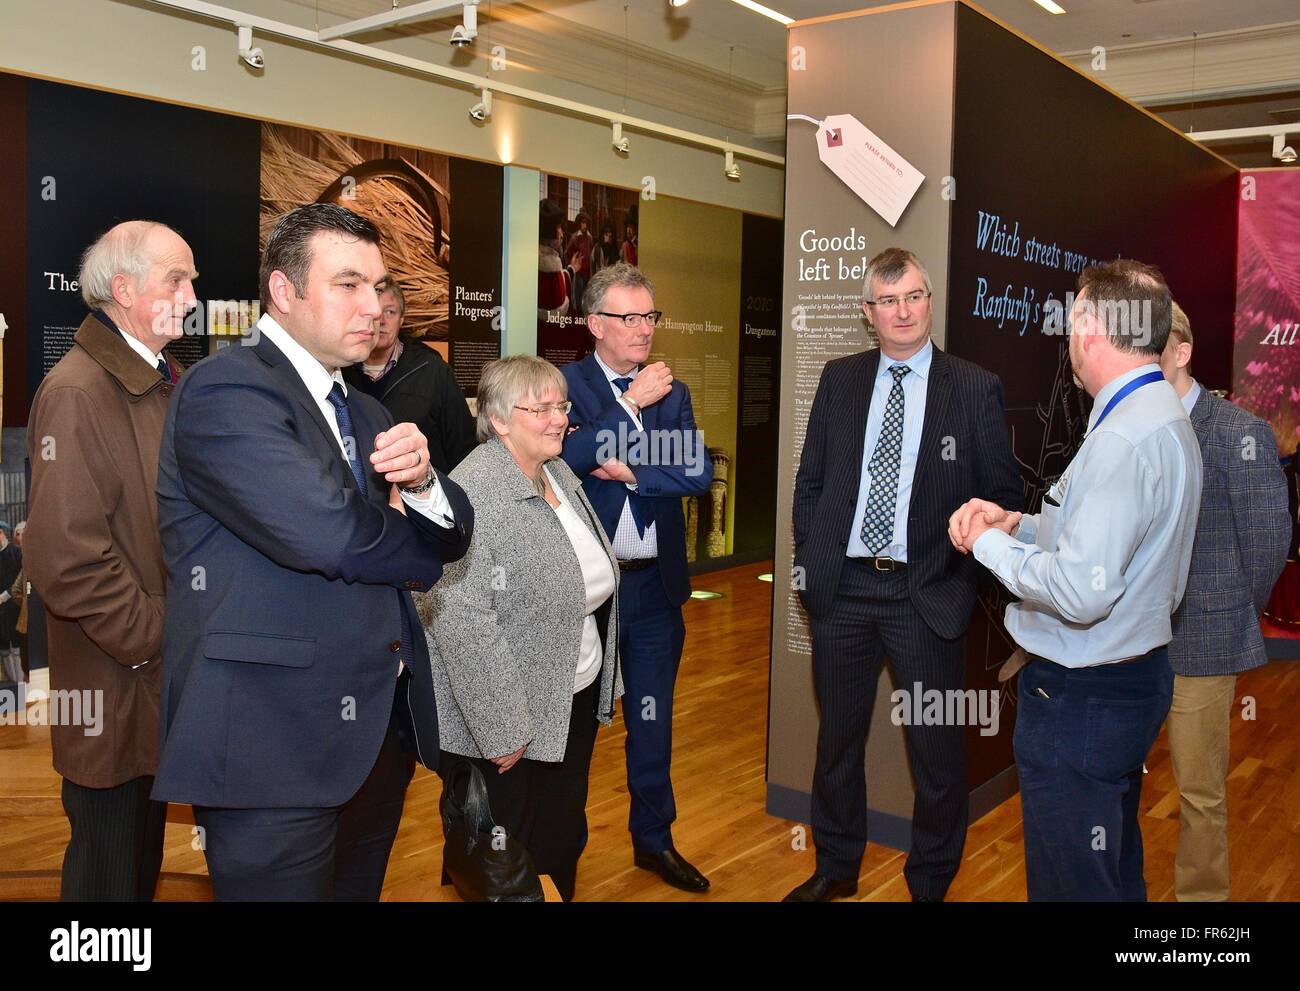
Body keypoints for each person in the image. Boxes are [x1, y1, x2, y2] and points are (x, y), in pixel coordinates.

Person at [152, 203, 473, 901]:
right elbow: (331, 534)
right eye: (349, 284)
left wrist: (421, 483)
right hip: (274, 742)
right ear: (284, 292)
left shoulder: (366, 407)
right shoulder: (227, 388)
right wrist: (412, 542)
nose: (375, 305)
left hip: (372, 744)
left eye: (380, 286)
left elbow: (454, 531)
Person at [951, 259, 1203, 901]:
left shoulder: (1121, 437)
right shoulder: (1160, 416)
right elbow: (1104, 543)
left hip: (1083, 697)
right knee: (1111, 867)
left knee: (1073, 883)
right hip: (1128, 682)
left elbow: (1083, 591)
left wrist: (986, 546)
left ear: (1090, 329)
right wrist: (1019, 526)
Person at [786, 247, 1024, 903]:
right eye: (888, 300)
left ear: (929, 300)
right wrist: (814, 565)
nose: (902, 310)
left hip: (927, 595)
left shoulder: (973, 386)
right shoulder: (839, 378)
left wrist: (962, 578)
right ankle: (835, 869)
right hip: (845, 594)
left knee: (937, 757)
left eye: (913, 295)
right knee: (837, 743)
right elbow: (812, 484)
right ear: (869, 313)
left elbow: (1000, 501)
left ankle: (930, 883)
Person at [24, 220, 193, 900]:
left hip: (147, 687)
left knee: (135, 871)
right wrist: (159, 636)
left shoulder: (153, 380)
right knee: (106, 880)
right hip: (117, 689)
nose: (191, 295)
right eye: (176, 279)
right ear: (123, 290)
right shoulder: (79, 391)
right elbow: (67, 559)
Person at [419, 355, 622, 902]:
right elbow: (460, 619)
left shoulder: (555, 472)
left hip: (569, 691)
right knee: (502, 855)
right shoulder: (472, 492)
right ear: (499, 419)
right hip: (511, 716)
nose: (558, 418)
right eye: (542, 408)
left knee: (558, 833)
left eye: (562, 406)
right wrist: (501, 725)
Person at [560, 262, 714, 892]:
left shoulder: (673, 391)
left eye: (650, 315)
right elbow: (567, 456)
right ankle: (554, 855)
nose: (645, 329)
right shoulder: (565, 384)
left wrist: (628, 469)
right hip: (584, 592)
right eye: (630, 317)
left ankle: (654, 842)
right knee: (569, 732)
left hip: (651, 590)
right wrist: (630, 405)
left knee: (651, 724)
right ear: (595, 324)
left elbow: (696, 473)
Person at [1158, 302, 1288, 901]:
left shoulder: (1241, 433)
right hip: (1126, 639)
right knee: (1117, 783)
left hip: (1201, 643)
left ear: (1181, 353)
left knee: (1198, 793)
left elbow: (1266, 543)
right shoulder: (1122, 428)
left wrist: (1225, 614)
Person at [343, 280, 477, 473]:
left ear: (402, 319)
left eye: (390, 312)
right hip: (360, 497)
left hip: (422, 496)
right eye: (376, 312)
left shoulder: (433, 371)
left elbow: (463, 450)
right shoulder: (340, 370)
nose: (381, 321)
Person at [0, 523, 21, 685]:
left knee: (16, 643)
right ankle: (12, 682)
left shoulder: (16, 553)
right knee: (4, 646)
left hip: (13, 605)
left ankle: (20, 680)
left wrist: (6, 595)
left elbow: (20, 578)